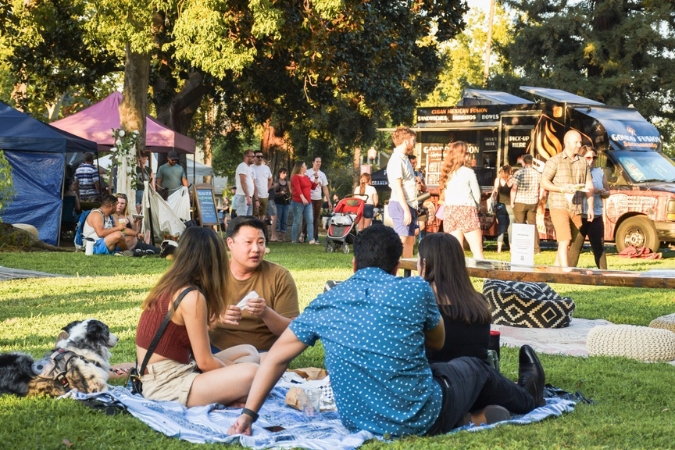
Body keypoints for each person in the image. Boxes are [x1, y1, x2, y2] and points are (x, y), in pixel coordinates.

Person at [228, 224, 546, 437]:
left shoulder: (325, 303)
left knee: (440, 373)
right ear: (397, 266)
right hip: (423, 415)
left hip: (357, 421)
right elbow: (438, 341)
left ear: (353, 264)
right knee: (473, 368)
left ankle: (470, 418)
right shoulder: (416, 290)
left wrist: (248, 416)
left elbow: (273, 360)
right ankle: (529, 397)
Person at [135, 227, 259, 407]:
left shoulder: (171, 285)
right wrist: (234, 373)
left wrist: (231, 372)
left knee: (249, 352)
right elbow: (206, 363)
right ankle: (232, 392)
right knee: (254, 374)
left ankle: (230, 391)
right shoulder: (191, 297)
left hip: (175, 369)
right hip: (166, 384)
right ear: (213, 260)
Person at [209, 216, 300, 352]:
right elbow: (189, 324)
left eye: (261, 242)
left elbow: (293, 331)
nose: (256, 249)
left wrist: (266, 313)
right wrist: (217, 318)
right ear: (230, 243)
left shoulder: (279, 276)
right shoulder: (212, 274)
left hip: (261, 354)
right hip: (216, 350)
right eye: (248, 242)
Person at [419, 233, 492, 364]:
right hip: (477, 379)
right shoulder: (480, 302)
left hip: (438, 380)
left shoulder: (422, 309)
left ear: (424, 265)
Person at [540, 130, 594, 268]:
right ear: (566, 142)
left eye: (580, 142)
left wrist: (591, 206)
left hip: (576, 207)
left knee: (569, 242)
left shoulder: (583, 162)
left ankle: (555, 268)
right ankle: (566, 272)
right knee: (564, 240)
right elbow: (544, 182)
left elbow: (589, 185)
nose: (579, 145)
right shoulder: (554, 161)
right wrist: (561, 189)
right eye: (576, 142)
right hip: (558, 205)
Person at [438, 141, 485, 259]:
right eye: (467, 153)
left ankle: (457, 276)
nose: (469, 156)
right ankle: (485, 277)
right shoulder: (468, 172)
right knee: (477, 249)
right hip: (466, 209)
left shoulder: (447, 173)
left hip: (450, 211)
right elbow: (477, 195)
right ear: (461, 155)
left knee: (456, 251)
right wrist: (477, 207)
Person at [568, 146, 610, 269]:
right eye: (588, 157)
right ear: (581, 158)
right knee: (575, 247)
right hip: (579, 214)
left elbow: (608, 192)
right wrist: (589, 191)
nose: (592, 160)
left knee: (599, 246)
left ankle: (604, 274)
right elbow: (570, 190)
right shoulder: (575, 170)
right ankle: (569, 273)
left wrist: (603, 192)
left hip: (596, 214)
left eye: (594, 157)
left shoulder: (600, 172)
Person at [386, 127, 418, 258]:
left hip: (410, 204)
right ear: (406, 141)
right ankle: (394, 272)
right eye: (413, 140)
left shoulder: (405, 159)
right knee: (401, 240)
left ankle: (408, 272)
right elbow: (397, 187)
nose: (414, 143)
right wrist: (405, 210)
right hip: (400, 205)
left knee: (410, 240)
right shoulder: (396, 160)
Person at [510, 155, 544, 255]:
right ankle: (536, 249)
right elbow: (542, 187)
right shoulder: (538, 174)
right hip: (533, 202)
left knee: (519, 225)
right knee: (533, 225)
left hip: (520, 201)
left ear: (523, 162)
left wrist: (512, 202)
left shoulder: (518, 173)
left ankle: (521, 248)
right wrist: (539, 198)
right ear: (532, 162)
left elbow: (514, 188)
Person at [304, 156, 332, 244]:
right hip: (309, 198)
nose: (319, 163)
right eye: (317, 161)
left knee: (316, 218)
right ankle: (303, 235)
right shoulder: (307, 172)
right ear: (313, 162)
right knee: (309, 218)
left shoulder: (322, 174)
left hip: (318, 198)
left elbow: (325, 188)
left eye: (320, 162)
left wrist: (329, 200)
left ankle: (315, 237)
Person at [289, 161, 319, 244]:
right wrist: (303, 198)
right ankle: (294, 239)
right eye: (305, 165)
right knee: (297, 221)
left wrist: (316, 178)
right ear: (301, 167)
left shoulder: (306, 177)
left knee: (310, 220)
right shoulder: (295, 177)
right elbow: (298, 189)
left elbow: (313, 187)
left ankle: (311, 239)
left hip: (308, 203)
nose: (306, 167)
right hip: (298, 202)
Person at [492, 165, 514, 253]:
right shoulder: (512, 180)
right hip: (511, 206)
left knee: (501, 227)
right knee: (511, 228)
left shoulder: (498, 180)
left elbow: (494, 193)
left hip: (500, 206)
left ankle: (499, 249)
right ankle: (511, 248)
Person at [232, 150, 258, 217]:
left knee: (248, 218)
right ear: (247, 157)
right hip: (243, 195)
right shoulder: (242, 166)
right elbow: (243, 181)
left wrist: (256, 199)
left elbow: (254, 185)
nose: (254, 158)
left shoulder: (252, 169)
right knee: (242, 218)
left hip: (249, 196)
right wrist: (247, 196)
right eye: (252, 157)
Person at [251, 151, 273, 221]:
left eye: (261, 157)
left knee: (262, 215)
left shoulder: (266, 168)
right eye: (258, 156)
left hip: (265, 195)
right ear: (254, 157)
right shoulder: (251, 167)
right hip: (255, 196)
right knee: (254, 215)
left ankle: (261, 229)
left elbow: (270, 179)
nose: (260, 158)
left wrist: (267, 188)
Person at [272, 168, 291, 242]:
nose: (285, 175)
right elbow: (273, 194)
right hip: (278, 203)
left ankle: (283, 237)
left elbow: (290, 192)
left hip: (286, 203)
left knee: (285, 220)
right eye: (283, 173)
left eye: (286, 173)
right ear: (279, 173)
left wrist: (287, 192)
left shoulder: (287, 183)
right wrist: (280, 193)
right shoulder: (276, 183)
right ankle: (276, 236)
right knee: (278, 220)